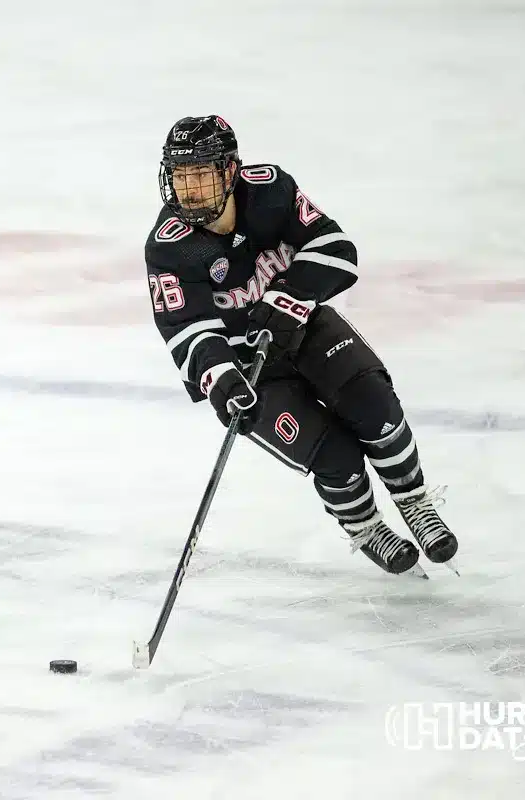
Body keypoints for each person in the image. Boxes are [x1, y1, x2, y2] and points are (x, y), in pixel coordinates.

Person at [144, 114, 458, 577]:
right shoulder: (170, 246)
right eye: (181, 174)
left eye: (202, 173)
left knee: (376, 408)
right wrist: (223, 380)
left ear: (230, 171)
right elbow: (186, 329)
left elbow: (336, 247)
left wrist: (289, 294)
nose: (188, 188)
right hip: (250, 366)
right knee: (334, 457)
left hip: (305, 330)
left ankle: (414, 502)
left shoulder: (270, 191)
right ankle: (367, 526)